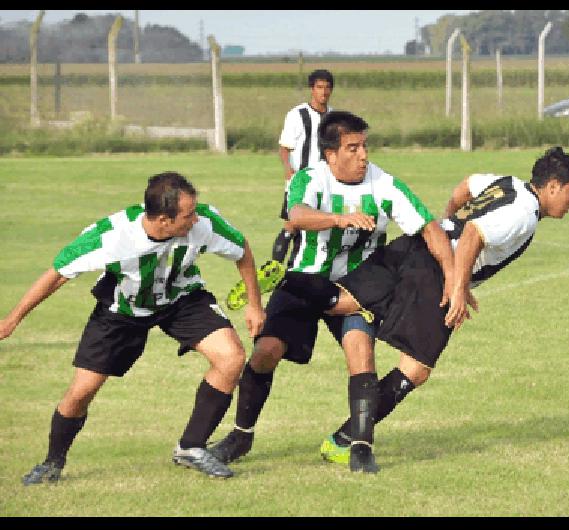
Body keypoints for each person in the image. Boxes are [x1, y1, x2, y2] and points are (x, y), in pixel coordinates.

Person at [265, 146, 569, 467]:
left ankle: (287, 281)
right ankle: (343, 440)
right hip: (434, 272)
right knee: (416, 368)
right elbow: (473, 235)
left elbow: (466, 186)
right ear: (553, 186)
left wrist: (447, 228)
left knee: (344, 302)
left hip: (420, 246)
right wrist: (457, 286)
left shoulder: (509, 183)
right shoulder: (523, 214)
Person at [210, 111, 460, 473]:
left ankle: (360, 446)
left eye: (364, 147)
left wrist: (452, 279)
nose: (363, 156)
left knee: (360, 351)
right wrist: (338, 219)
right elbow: (295, 214)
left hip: (358, 286)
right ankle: (240, 435)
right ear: (330, 155)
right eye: (352, 148)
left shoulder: (384, 184)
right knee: (265, 351)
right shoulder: (309, 179)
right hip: (304, 280)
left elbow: (430, 229)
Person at [0, 172, 265, 484]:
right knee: (81, 392)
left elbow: (241, 248)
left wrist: (254, 305)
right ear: (164, 220)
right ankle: (51, 463)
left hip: (181, 299)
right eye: (188, 214)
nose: (196, 219)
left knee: (231, 358)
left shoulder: (203, 222)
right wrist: (12, 319)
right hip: (121, 312)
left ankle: (191, 447)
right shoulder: (112, 236)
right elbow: (58, 274)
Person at [272, 69, 335, 265]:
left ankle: (298, 270)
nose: (323, 92)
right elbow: (284, 147)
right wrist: (288, 168)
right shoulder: (297, 115)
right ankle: (274, 269)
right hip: (300, 181)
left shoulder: (333, 117)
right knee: (292, 225)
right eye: (319, 87)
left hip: (324, 183)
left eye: (327, 87)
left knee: (314, 228)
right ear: (311, 89)